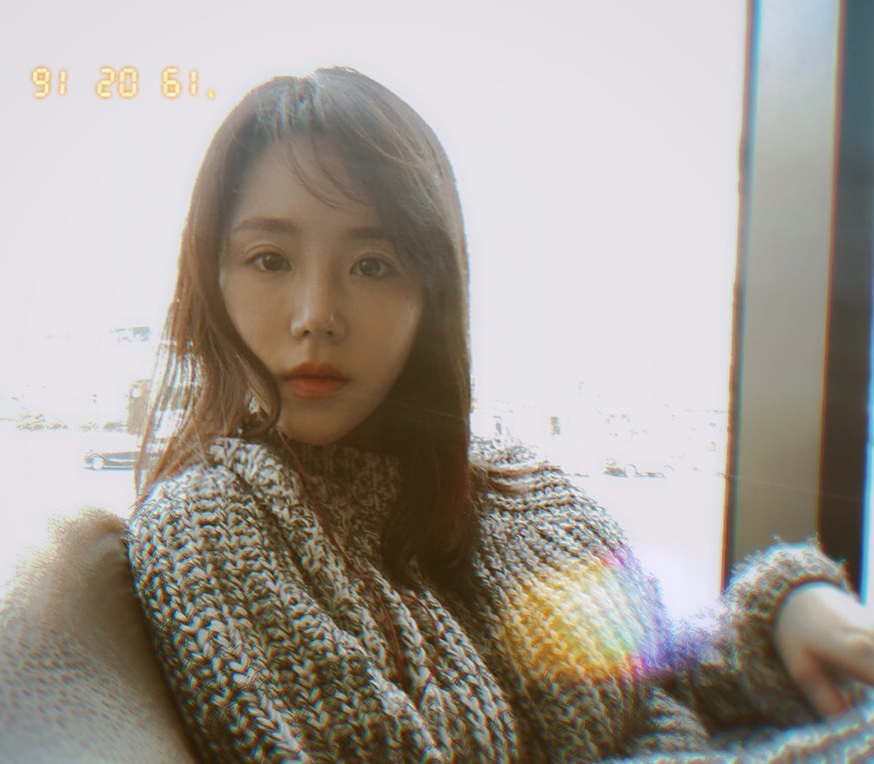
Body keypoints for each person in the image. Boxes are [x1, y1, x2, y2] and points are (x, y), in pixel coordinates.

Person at [127, 67, 874, 762]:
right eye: (270, 260)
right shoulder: (210, 526)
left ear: (432, 294)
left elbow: (662, 680)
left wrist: (783, 612)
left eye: (373, 266)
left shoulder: (516, 491)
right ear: (212, 278)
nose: (317, 315)